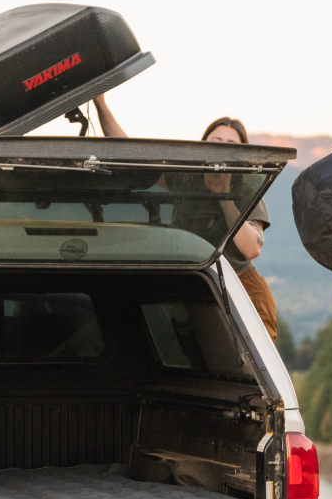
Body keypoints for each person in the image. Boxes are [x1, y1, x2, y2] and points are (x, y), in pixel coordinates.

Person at [93, 96, 277, 342]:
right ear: (203, 146)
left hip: (241, 286)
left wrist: (223, 196)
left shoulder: (246, 187)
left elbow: (252, 247)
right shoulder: (186, 178)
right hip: (196, 283)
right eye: (216, 142)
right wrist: (100, 105)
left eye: (230, 144)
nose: (222, 148)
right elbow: (132, 158)